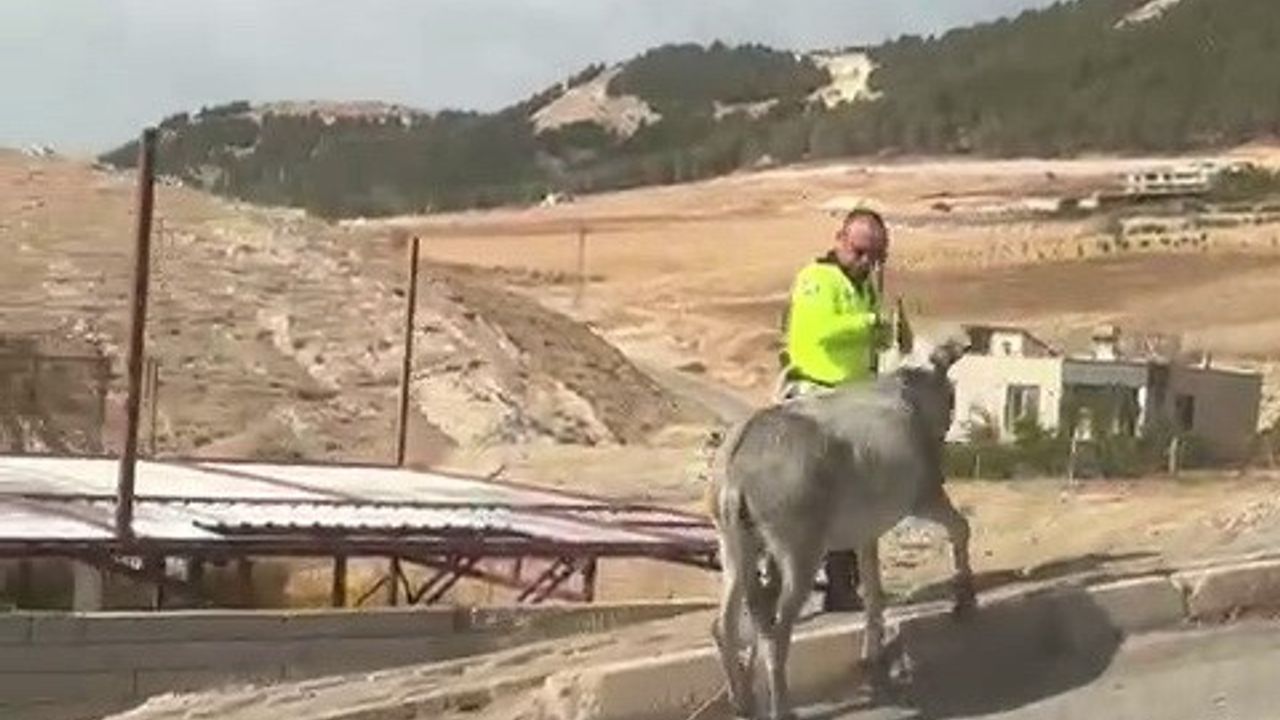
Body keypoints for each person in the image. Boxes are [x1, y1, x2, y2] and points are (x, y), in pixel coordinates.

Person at [777, 206, 892, 612]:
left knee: (857, 492)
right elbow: (818, 332)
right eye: (859, 252)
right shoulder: (816, 280)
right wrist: (867, 323)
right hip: (815, 392)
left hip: (853, 398)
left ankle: (844, 584)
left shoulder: (866, 287)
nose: (865, 262)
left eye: (873, 256)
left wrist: (882, 334)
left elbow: (869, 339)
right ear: (840, 240)